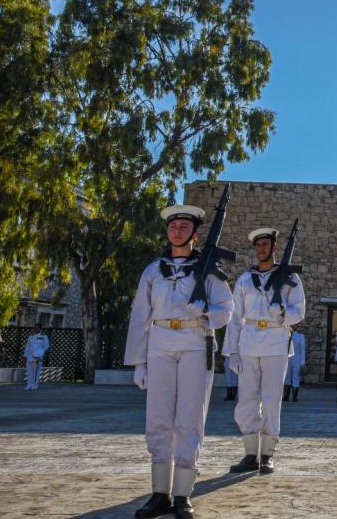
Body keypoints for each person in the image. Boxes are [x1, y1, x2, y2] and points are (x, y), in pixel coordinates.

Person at [124, 204, 233, 519]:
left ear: (195, 234)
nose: (177, 230)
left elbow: (227, 309)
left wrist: (205, 312)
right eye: (173, 226)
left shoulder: (209, 270)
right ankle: (159, 494)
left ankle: (183, 494)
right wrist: (139, 363)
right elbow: (140, 317)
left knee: (189, 418)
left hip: (195, 344)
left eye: (185, 227)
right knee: (158, 418)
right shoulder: (154, 270)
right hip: (159, 344)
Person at [225, 227, 306, 475]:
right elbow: (235, 316)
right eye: (257, 245)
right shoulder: (244, 279)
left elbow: (300, 311)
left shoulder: (290, 278)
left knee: (271, 399)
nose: (261, 249)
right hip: (249, 342)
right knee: (247, 398)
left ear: (275, 248)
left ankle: (268, 454)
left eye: (265, 244)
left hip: (275, 341)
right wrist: (232, 351)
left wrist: (282, 315)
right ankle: (250, 453)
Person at [23, 323, 51, 391]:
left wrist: (39, 353)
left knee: (36, 372)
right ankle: (29, 385)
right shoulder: (31, 336)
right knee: (29, 372)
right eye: (34, 327)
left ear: (40, 329)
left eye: (37, 327)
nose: (35, 329)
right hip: (30, 356)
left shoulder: (44, 336)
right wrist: (25, 355)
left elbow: (46, 346)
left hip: (37, 357)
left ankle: (34, 385)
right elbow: (27, 346)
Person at [285, 328, 307, 402]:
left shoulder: (301, 336)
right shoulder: (285, 334)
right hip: (287, 358)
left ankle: (295, 396)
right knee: (287, 377)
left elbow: (302, 350)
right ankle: (286, 396)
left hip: (297, 358)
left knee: (296, 377)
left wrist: (303, 363)